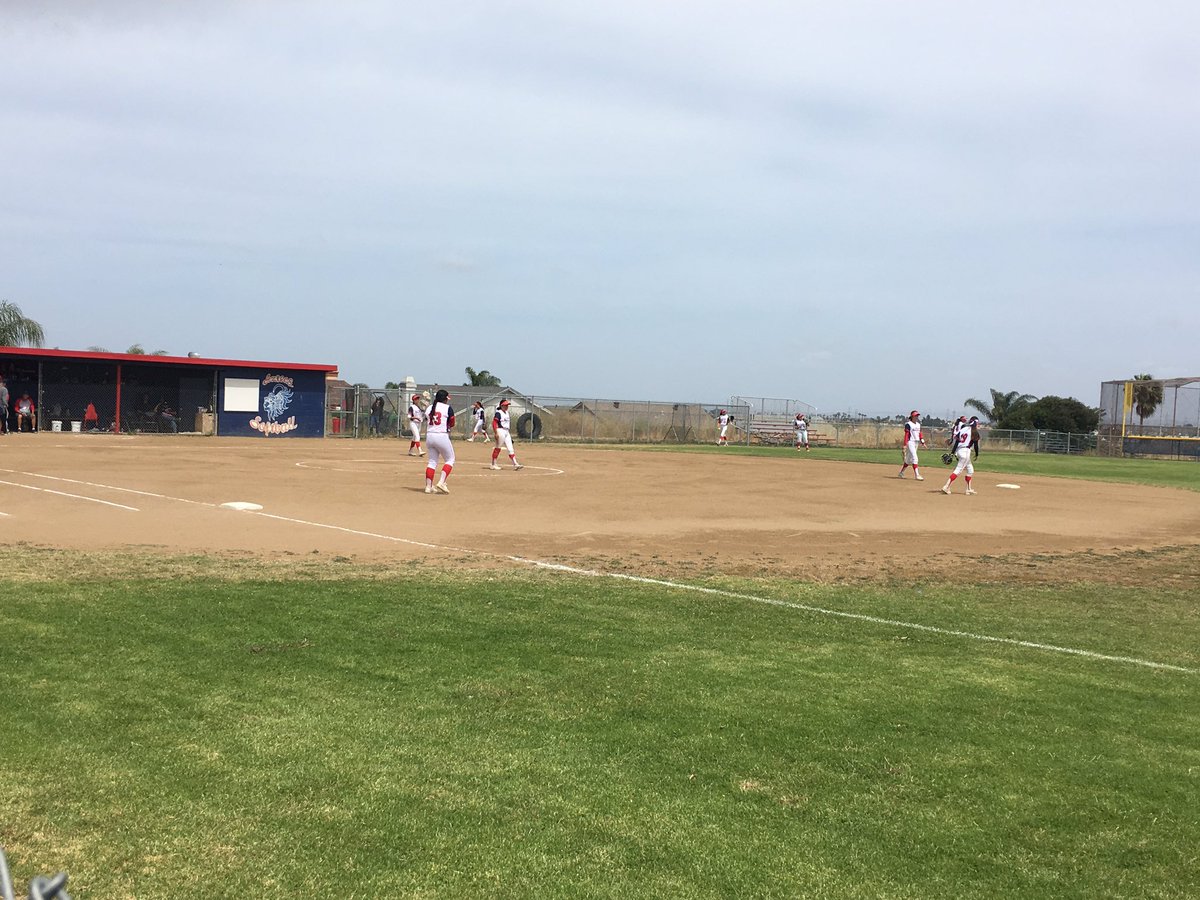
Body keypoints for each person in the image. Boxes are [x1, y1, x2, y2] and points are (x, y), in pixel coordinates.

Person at [423, 389, 456, 494]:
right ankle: (441, 482)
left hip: (430, 436)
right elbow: (452, 422)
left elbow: (427, 418)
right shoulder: (447, 408)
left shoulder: (430, 408)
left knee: (432, 462)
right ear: (445, 399)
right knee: (450, 459)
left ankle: (428, 487)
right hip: (441, 435)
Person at [941, 416, 979, 495]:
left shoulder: (963, 429)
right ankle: (946, 486)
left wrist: (952, 453)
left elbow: (957, 442)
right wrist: (976, 454)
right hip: (965, 452)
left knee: (970, 469)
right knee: (958, 470)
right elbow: (975, 445)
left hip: (959, 451)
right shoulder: (974, 431)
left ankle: (968, 489)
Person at [490, 399, 524, 470]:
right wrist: (496, 433)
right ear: (501, 406)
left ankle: (515, 464)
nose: (506, 407)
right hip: (500, 430)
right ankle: (493, 464)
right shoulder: (498, 413)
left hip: (506, 431)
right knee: (498, 447)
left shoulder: (507, 413)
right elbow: (494, 423)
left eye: (507, 405)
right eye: (505, 405)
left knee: (510, 448)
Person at [897, 410, 927, 480]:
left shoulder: (918, 424)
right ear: (912, 416)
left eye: (917, 416)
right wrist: (905, 445)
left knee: (908, 460)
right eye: (915, 416)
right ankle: (917, 475)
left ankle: (901, 472)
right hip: (910, 442)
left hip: (916, 442)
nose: (917, 417)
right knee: (915, 458)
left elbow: (920, 434)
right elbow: (906, 435)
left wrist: (923, 442)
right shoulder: (908, 424)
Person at [407, 392, 427, 456]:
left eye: (418, 399)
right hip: (413, 423)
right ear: (413, 400)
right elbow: (409, 416)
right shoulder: (411, 407)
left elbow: (423, 415)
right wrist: (416, 418)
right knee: (417, 437)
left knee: (414, 438)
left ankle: (410, 451)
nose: (417, 400)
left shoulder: (419, 407)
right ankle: (420, 451)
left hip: (419, 424)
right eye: (416, 399)